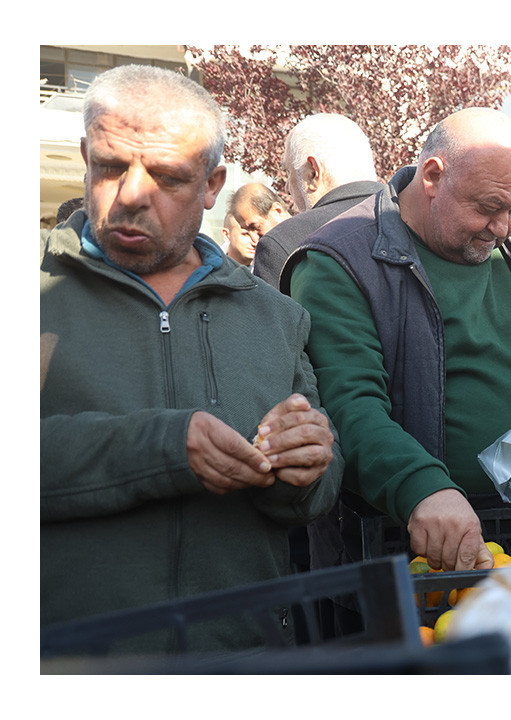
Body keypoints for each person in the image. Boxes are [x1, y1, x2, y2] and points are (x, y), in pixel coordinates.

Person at [40, 64, 342, 652]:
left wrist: (309, 466)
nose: (130, 195)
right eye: (109, 166)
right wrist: (161, 447)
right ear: (84, 155)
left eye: (167, 177)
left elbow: (321, 491)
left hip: (246, 663)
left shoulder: (276, 316)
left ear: (212, 184)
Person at [281, 107, 511, 573]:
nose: (503, 228)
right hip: (420, 545)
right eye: (487, 208)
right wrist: (421, 485)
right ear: (433, 176)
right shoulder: (338, 262)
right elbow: (347, 406)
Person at [252, 113, 382, 290]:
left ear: (313, 173)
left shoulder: (282, 243)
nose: (287, 188)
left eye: (289, 172)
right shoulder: (416, 221)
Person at [226, 182, 291, 269]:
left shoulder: (308, 242)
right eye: (246, 232)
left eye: (255, 227)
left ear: (277, 211)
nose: (254, 240)